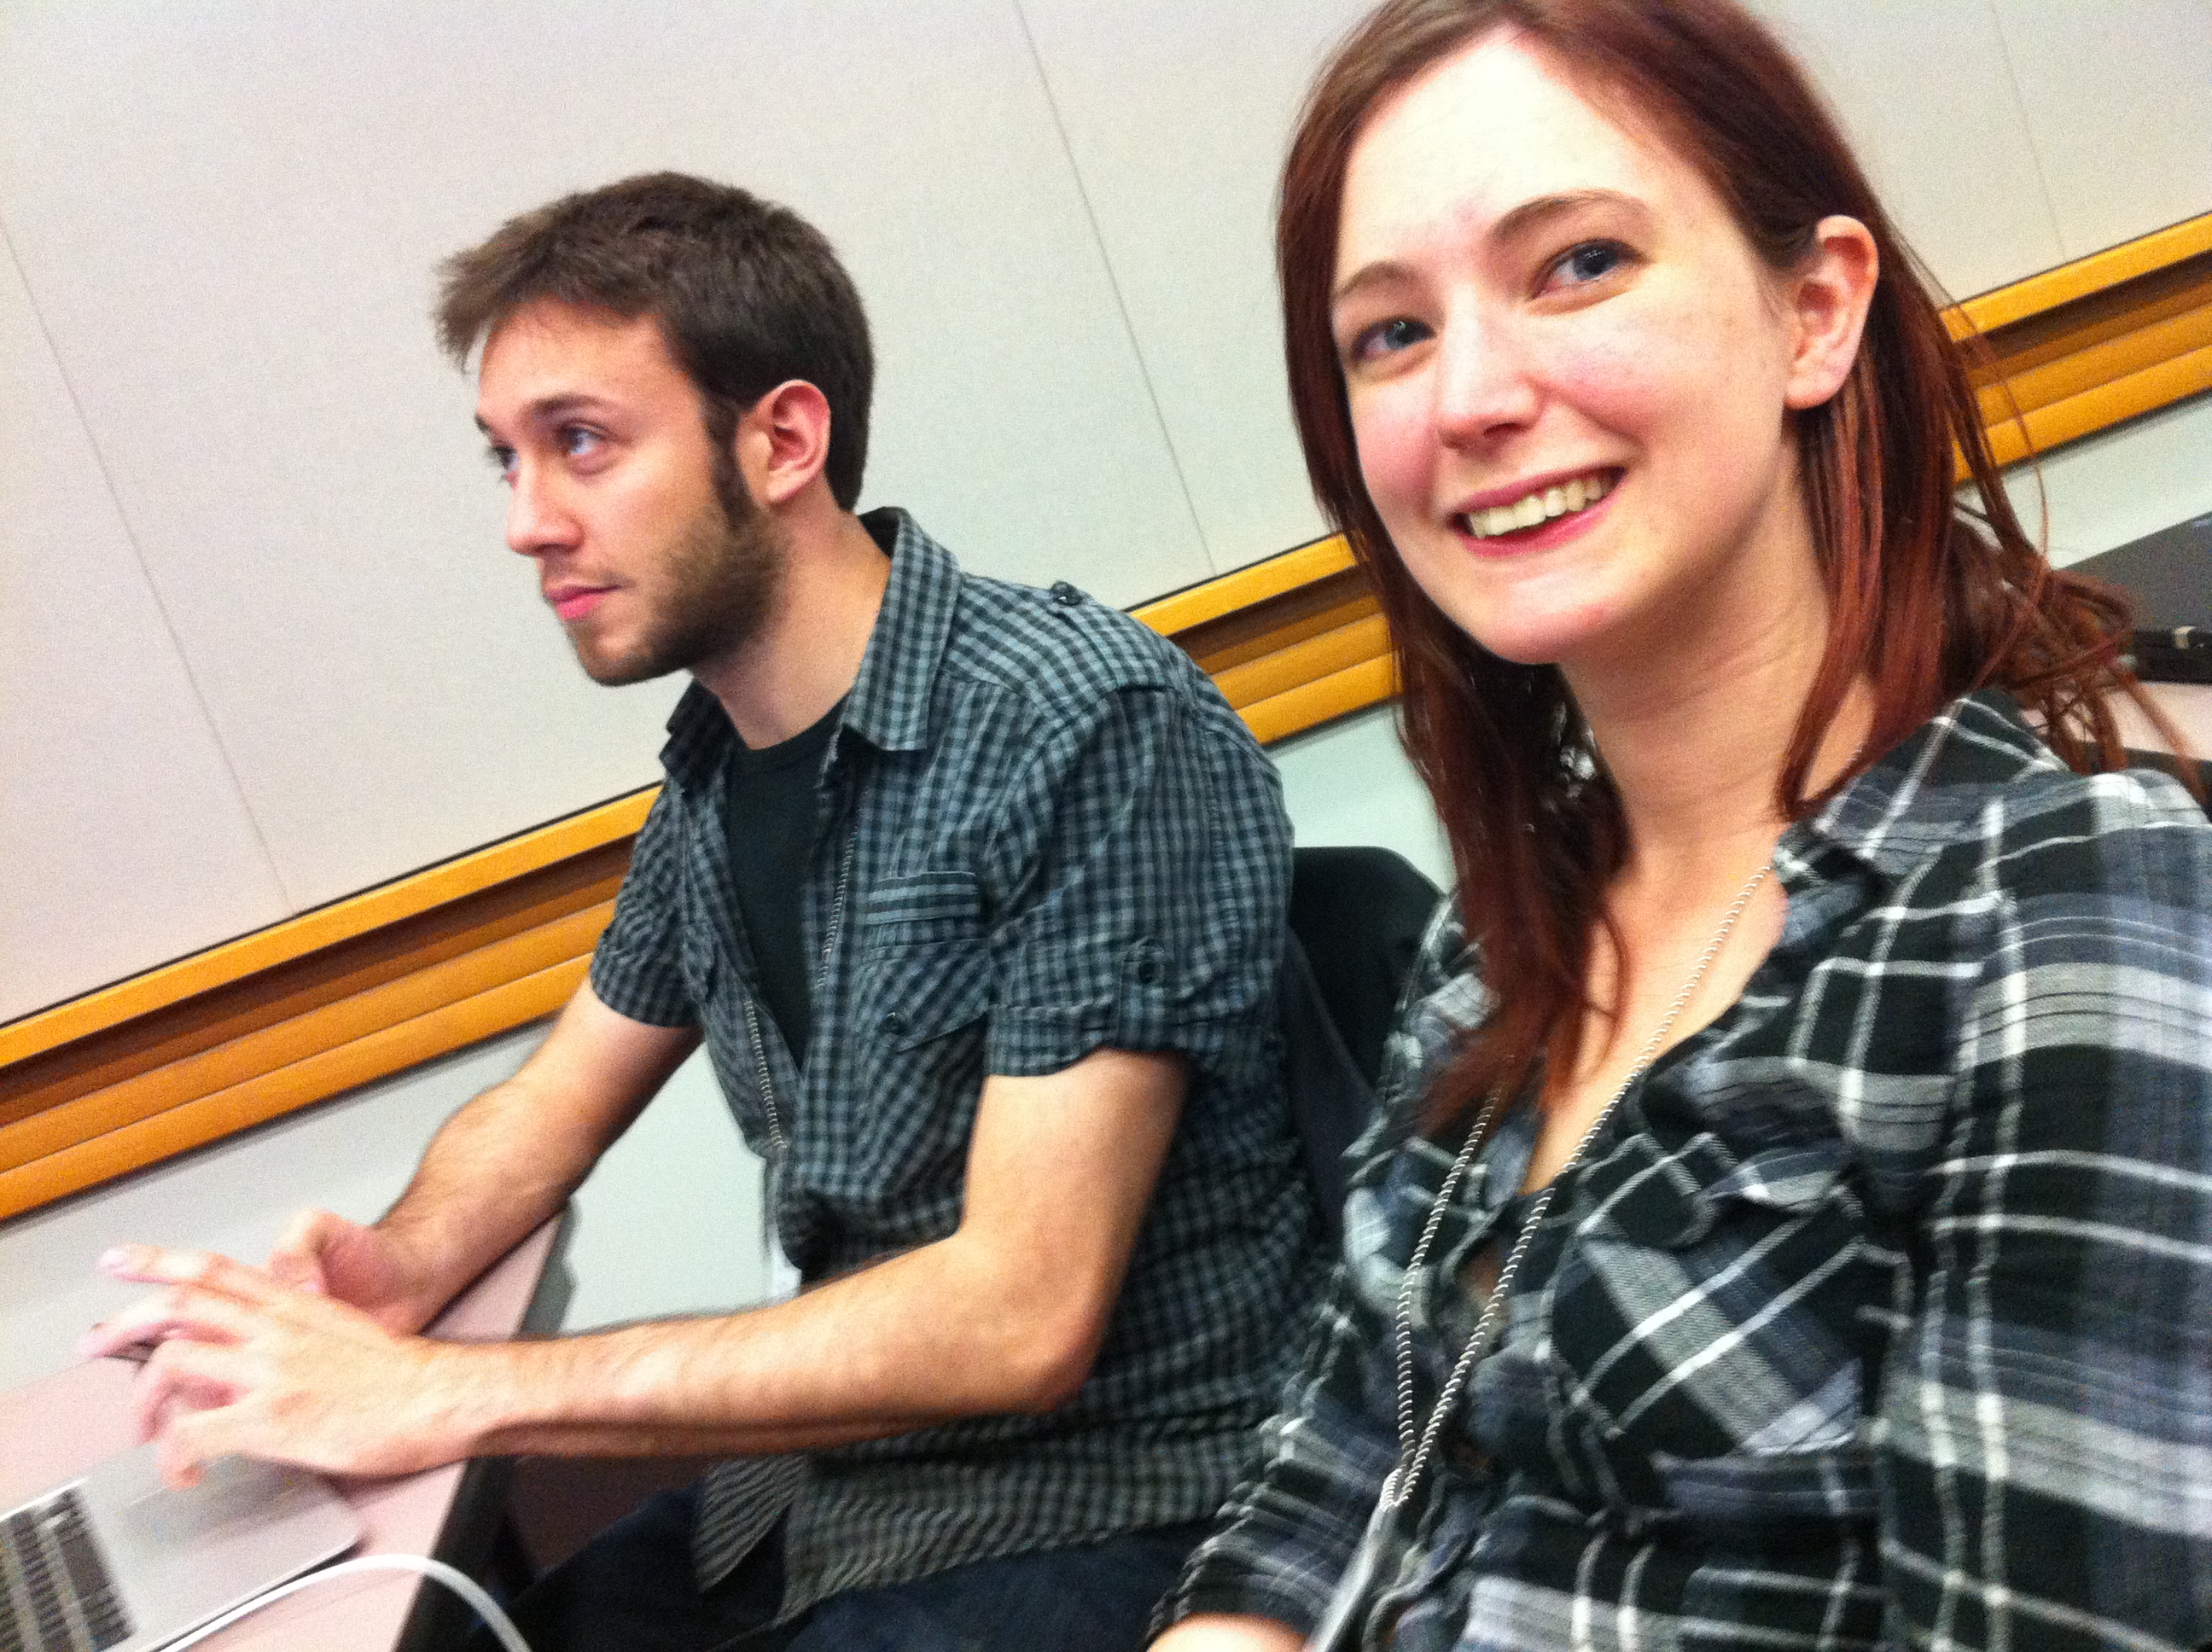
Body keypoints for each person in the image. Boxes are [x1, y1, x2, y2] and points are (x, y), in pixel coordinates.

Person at [81, 172, 1321, 1651]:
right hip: (831, 1503)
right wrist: (394, 1265)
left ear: (783, 438)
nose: (527, 524)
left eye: (582, 445)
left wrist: (451, 1392)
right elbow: (552, 1101)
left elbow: (1020, 1317)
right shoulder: (724, 772)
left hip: (1121, 1516)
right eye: (507, 461)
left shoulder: (1081, 722)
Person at [1150, 1, 2212, 1648]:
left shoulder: (2066, 909)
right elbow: (1327, 1476)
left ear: (1812, 311)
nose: (1472, 398)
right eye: (1390, 335)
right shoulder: (1504, 931)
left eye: (1577, 263)